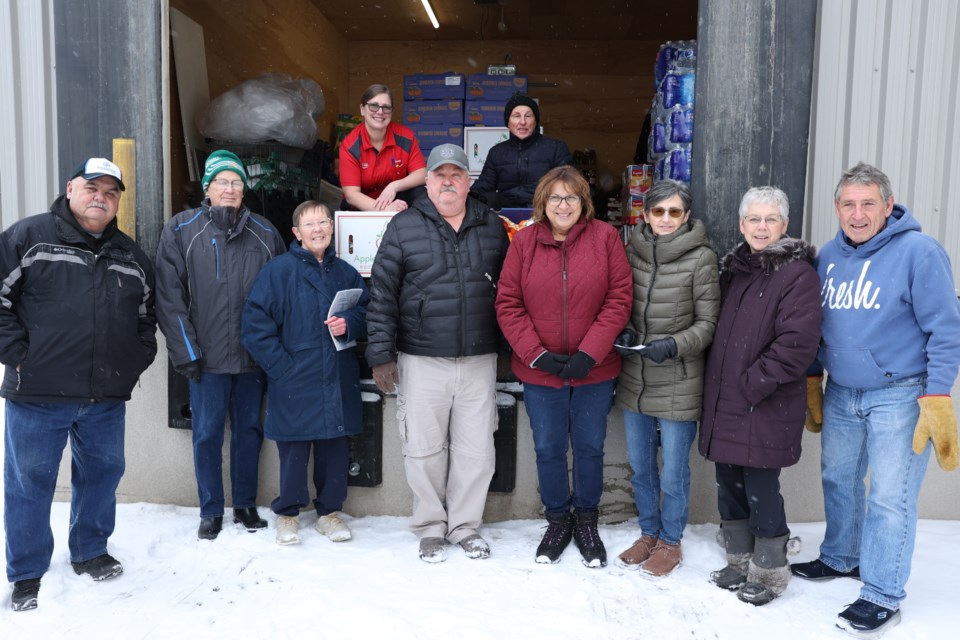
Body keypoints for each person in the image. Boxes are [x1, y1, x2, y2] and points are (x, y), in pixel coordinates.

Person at [791, 163, 960, 637]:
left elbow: (945, 329)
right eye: (849, 204)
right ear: (837, 208)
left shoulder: (920, 253)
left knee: (889, 497)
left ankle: (882, 592)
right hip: (842, 390)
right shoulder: (828, 256)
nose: (858, 214)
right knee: (839, 479)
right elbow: (816, 326)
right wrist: (812, 376)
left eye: (869, 204)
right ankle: (842, 556)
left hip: (901, 393)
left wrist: (938, 395)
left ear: (888, 206)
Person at [0, 158, 157, 611]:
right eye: (92, 188)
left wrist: (131, 364)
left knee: (102, 476)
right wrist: (18, 353)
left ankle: (90, 550)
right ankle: (27, 571)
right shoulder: (28, 238)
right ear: (71, 189)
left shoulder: (131, 255)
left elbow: (147, 320)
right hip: (38, 393)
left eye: (111, 192)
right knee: (29, 482)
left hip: (104, 397)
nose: (100, 198)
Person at [366, 143, 509, 563]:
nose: (448, 181)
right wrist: (380, 354)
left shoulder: (491, 226)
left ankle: (465, 526)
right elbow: (382, 294)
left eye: (456, 174)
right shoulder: (404, 226)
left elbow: (510, 292)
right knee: (424, 448)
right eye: (440, 174)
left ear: (469, 182)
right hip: (422, 357)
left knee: (476, 450)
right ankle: (430, 526)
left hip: (479, 358)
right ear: (426, 182)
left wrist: (508, 347)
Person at [495, 166, 632, 567]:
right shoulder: (523, 243)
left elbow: (619, 299)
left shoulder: (605, 238)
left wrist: (590, 352)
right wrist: (537, 354)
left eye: (571, 197)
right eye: (555, 197)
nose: (563, 204)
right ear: (543, 202)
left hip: (595, 369)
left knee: (589, 448)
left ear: (583, 202)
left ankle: (586, 521)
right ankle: (557, 520)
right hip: (540, 370)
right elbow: (508, 302)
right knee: (549, 448)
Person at [699, 186, 821, 606]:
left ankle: (769, 570)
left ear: (785, 226)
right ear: (741, 224)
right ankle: (738, 559)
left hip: (762, 401)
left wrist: (752, 383)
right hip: (727, 399)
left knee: (761, 487)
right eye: (754, 219)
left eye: (771, 220)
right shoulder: (737, 270)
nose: (762, 227)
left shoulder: (797, 274)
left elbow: (797, 345)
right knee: (728, 481)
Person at [156, 149, 286, 540]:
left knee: (249, 430)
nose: (229, 189)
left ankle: (245, 504)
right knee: (207, 433)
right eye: (221, 182)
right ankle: (211, 508)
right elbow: (169, 297)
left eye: (236, 182)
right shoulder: (181, 229)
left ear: (244, 190)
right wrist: (187, 352)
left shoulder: (266, 234)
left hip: (252, 358)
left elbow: (281, 298)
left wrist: (273, 352)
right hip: (205, 359)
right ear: (207, 187)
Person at [241, 201, 369, 546]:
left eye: (323, 222)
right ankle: (287, 513)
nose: (318, 229)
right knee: (294, 450)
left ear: (332, 228)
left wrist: (350, 324)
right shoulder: (278, 271)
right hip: (294, 375)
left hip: (336, 373)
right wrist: (283, 369)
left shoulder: (345, 271)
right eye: (309, 224)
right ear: (296, 232)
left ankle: (329, 512)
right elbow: (254, 327)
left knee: (334, 447)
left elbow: (367, 311)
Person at [612, 179, 720, 577]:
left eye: (675, 211)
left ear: (686, 216)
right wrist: (622, 330)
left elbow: (708, 323)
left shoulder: (702, 258)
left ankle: (670, 542)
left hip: (678, 377)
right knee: (641, 467)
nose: (666, 218)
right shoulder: (631, 251)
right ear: (645, 214)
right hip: (635, 375)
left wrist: (674, 345)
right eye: (658, 211)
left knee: (673, 470)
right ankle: (647, 534)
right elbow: (620, 301)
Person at [469, 93, 572, 210]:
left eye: (528, 116)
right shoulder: (497, 152)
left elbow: (570, 185)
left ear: (536, 121)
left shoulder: (556, 148)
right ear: (508, 122)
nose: (522, 122)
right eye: (516, 116)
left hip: (544, 210)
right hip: (506, 211)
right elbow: (483, 186)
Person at [339, 83, 426, 211]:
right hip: (362, 207)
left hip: (397, 201)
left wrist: (394, 186)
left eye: (386, 107)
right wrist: (384, 210)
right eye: (373, 106)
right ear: (362, 109)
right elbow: (351, 195)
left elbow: (422, 174)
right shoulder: (350, 145)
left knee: (420, 193)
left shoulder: (405, 137)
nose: (380, 112)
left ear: (392, 112)